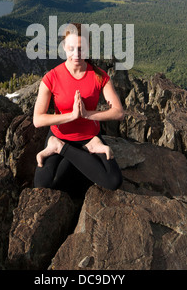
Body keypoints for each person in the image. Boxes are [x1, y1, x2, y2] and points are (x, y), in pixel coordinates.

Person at [33, 22, 124, 194]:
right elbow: (38, 119)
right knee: (42, 184)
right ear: (64, 47)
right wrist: (72, 116)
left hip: (89, 137)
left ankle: (63, 149)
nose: (76, 54)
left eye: (81, 48)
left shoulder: (99, 76)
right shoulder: (51, 78)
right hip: (61, 135)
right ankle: (65, 148)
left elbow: (118, 112)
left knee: (113, 181)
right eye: (71, 48)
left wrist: (87, 115)